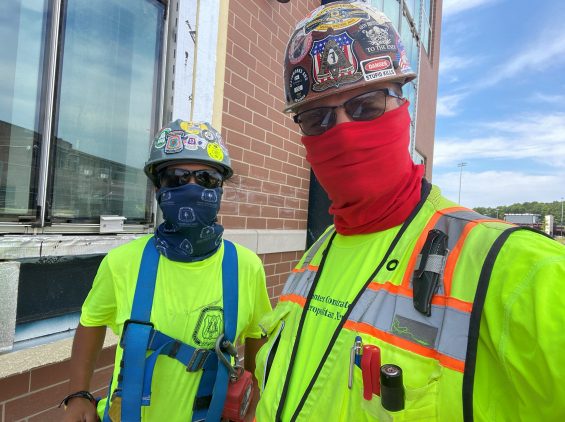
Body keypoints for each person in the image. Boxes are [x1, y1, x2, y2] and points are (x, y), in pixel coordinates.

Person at [254, 1, 565, 421]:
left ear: (404, 107)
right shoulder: (317, 252)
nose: (343, 131)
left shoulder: (514, 267)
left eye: (366, 106)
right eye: (317, 120)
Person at [61, 120, 271, 421]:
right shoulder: (122, 263)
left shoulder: (246, 267)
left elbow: (256, 336)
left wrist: (256, 400)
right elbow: (91, 321)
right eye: (176, 177)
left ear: (221, 186)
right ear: (158, 186)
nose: (192, 187)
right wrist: (78, 392)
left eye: (206, 178)